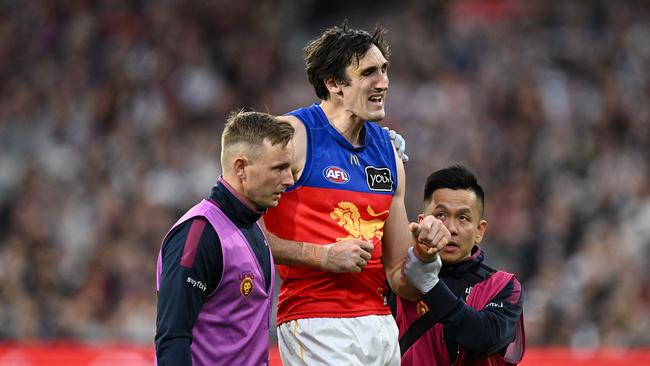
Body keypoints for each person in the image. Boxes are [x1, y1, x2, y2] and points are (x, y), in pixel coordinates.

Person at [262, 23, 450, 365]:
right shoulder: (292, 136)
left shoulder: (389, 152)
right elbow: (240, 232)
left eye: (384, 70)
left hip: (380, 326)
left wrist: (423, 252)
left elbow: (398, 278)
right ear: (334, 84)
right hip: (316, 321)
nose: (384, 82)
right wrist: (323, 257)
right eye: (368, 73)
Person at [154, 110, 295, 366]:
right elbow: (173, 337)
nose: (289, 179)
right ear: (240, 167)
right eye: (279, 168)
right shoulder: (199, 234)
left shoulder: (253, 229)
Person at [396, 165, 525, 365]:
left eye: (463, 218)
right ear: (422, 221)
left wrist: (430, 285)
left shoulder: (504, 286)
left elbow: (485, 338)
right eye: (440, 215)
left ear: (479, 231)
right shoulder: (397, 277)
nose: (450, 229)